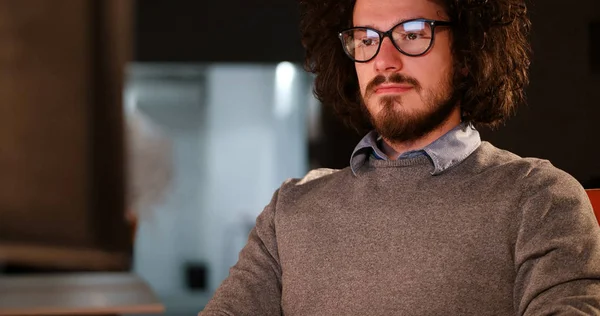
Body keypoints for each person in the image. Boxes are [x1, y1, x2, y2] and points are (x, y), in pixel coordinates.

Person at [200, 0, 600, 314]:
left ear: (465, 53)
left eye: (411, 34)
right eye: (367, 39)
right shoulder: (290, 209)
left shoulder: (540, 199)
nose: (384, 61)